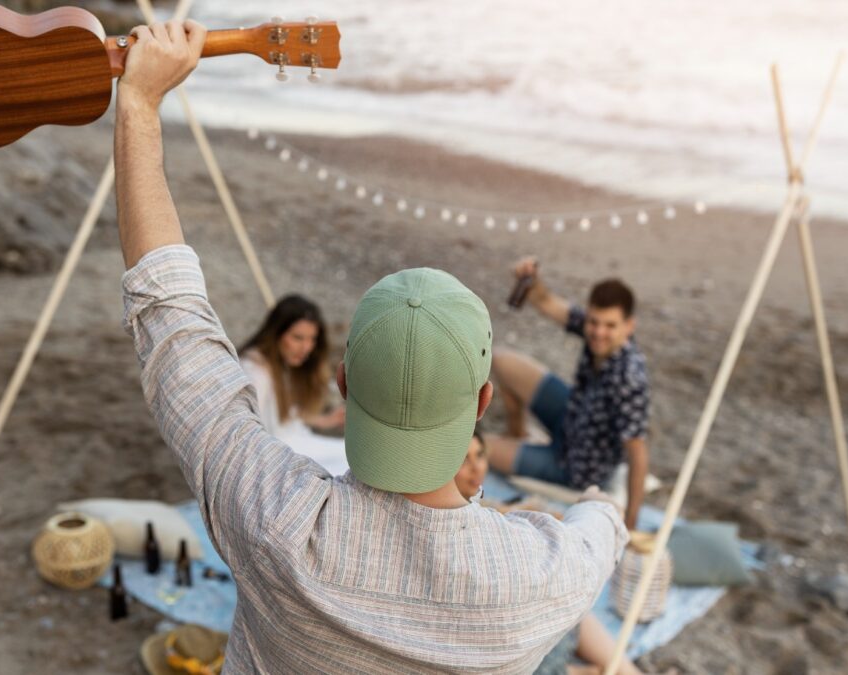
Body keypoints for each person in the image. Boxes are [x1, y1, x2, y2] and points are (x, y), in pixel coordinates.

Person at [115, 20, 627, 673]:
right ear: (482, 402)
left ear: (344, 382)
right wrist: (600, 510)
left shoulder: (275, 518)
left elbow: (172, 318)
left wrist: (139, 104)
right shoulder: (537, 574)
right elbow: (599, 533)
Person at [454, 433, 666, 675]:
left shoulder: (480, 509)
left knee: (568, 598)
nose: (476, 467)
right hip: (498, 642)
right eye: (463, 460)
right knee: (560, 594)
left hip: (518, 628)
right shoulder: (459, 528)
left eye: (480, 455)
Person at [485, 257, 651, 530]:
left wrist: (630, 524)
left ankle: (518, 449)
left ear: (628, 326)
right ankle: (517, 434)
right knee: (502, 360)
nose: (599, 332)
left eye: (610, 326)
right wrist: (531, 279)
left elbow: (638, 454)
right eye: (594, 322)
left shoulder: (630, 379)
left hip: (575, 465)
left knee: (479, 449)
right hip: (571, 414)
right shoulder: (595, 332)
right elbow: (545, 301)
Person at [239, 295, 348, 475]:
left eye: (312, 339)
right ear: (276, 333)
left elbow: (283, 414)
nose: (307, 347)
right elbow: (249, 430)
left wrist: (323, 421)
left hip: (296, 443)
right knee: (349, 464)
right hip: (279, 456)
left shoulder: (280, 363)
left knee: (352, 456)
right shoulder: (255, 372)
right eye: (298, 338)